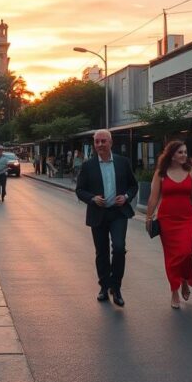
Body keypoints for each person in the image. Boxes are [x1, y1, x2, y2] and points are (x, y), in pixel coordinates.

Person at [75, 130, 138, 307]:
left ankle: (116, 287)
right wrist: (93, 199)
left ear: (111, 142)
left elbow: (133, 185)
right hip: (98, 213)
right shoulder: (88, 166)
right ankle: (104, 286)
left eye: (103, 141)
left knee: (119, 248)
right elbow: (80, 190)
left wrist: (126, 196)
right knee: (101, 252)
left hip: (118, 213)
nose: (100, 144)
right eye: (97, 142)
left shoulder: (122, 162)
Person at [145, 140, 192, 309]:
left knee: (186, 253)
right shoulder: (160, 173)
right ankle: (174, 290)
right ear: (171, 155)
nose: (184, 155)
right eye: (180, 152)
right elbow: (153, 197)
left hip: (186, 219)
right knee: (171, 258)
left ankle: (185, 279)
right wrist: (149, 217)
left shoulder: (191, 171)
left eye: (185, 152)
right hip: (167, 220)